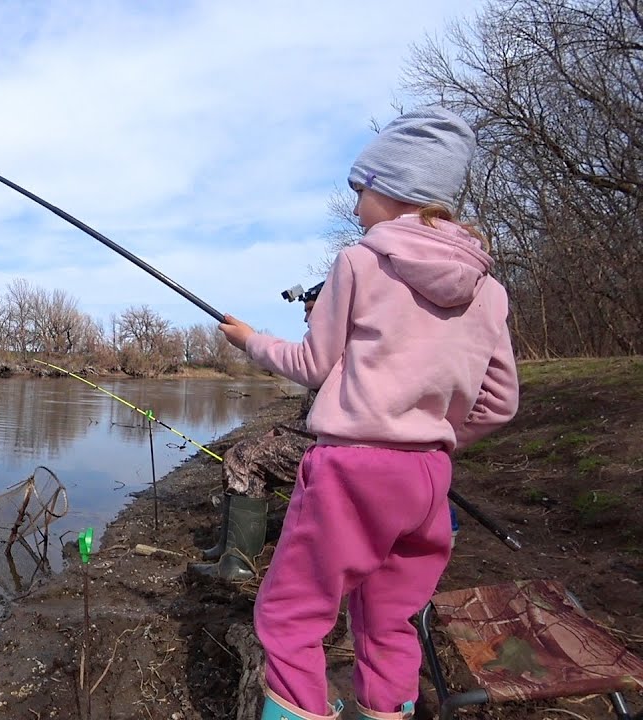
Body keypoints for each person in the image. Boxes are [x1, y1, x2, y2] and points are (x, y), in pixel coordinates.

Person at [217, 106, 520, 720]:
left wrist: (250, 341)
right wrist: (431, 436)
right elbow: (500, 402)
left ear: (396, 187)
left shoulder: (359, 261)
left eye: (361, 190)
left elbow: (312, 363)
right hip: (429, 478)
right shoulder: (489, 289)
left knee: (291, 614)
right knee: (390, 620)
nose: (356, 208)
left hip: (351, 471)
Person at [190, 284, 323, 583]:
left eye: (311, 311)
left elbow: (307, 374)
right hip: (325, 439)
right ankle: (228, 547)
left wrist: (250, 341)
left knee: (243, 458)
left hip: (338, 448)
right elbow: (312, 417)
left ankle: (237, 564)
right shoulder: (335, 345)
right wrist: (280, 431)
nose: (306, 319)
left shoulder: (331, 348)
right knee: (242, 450)